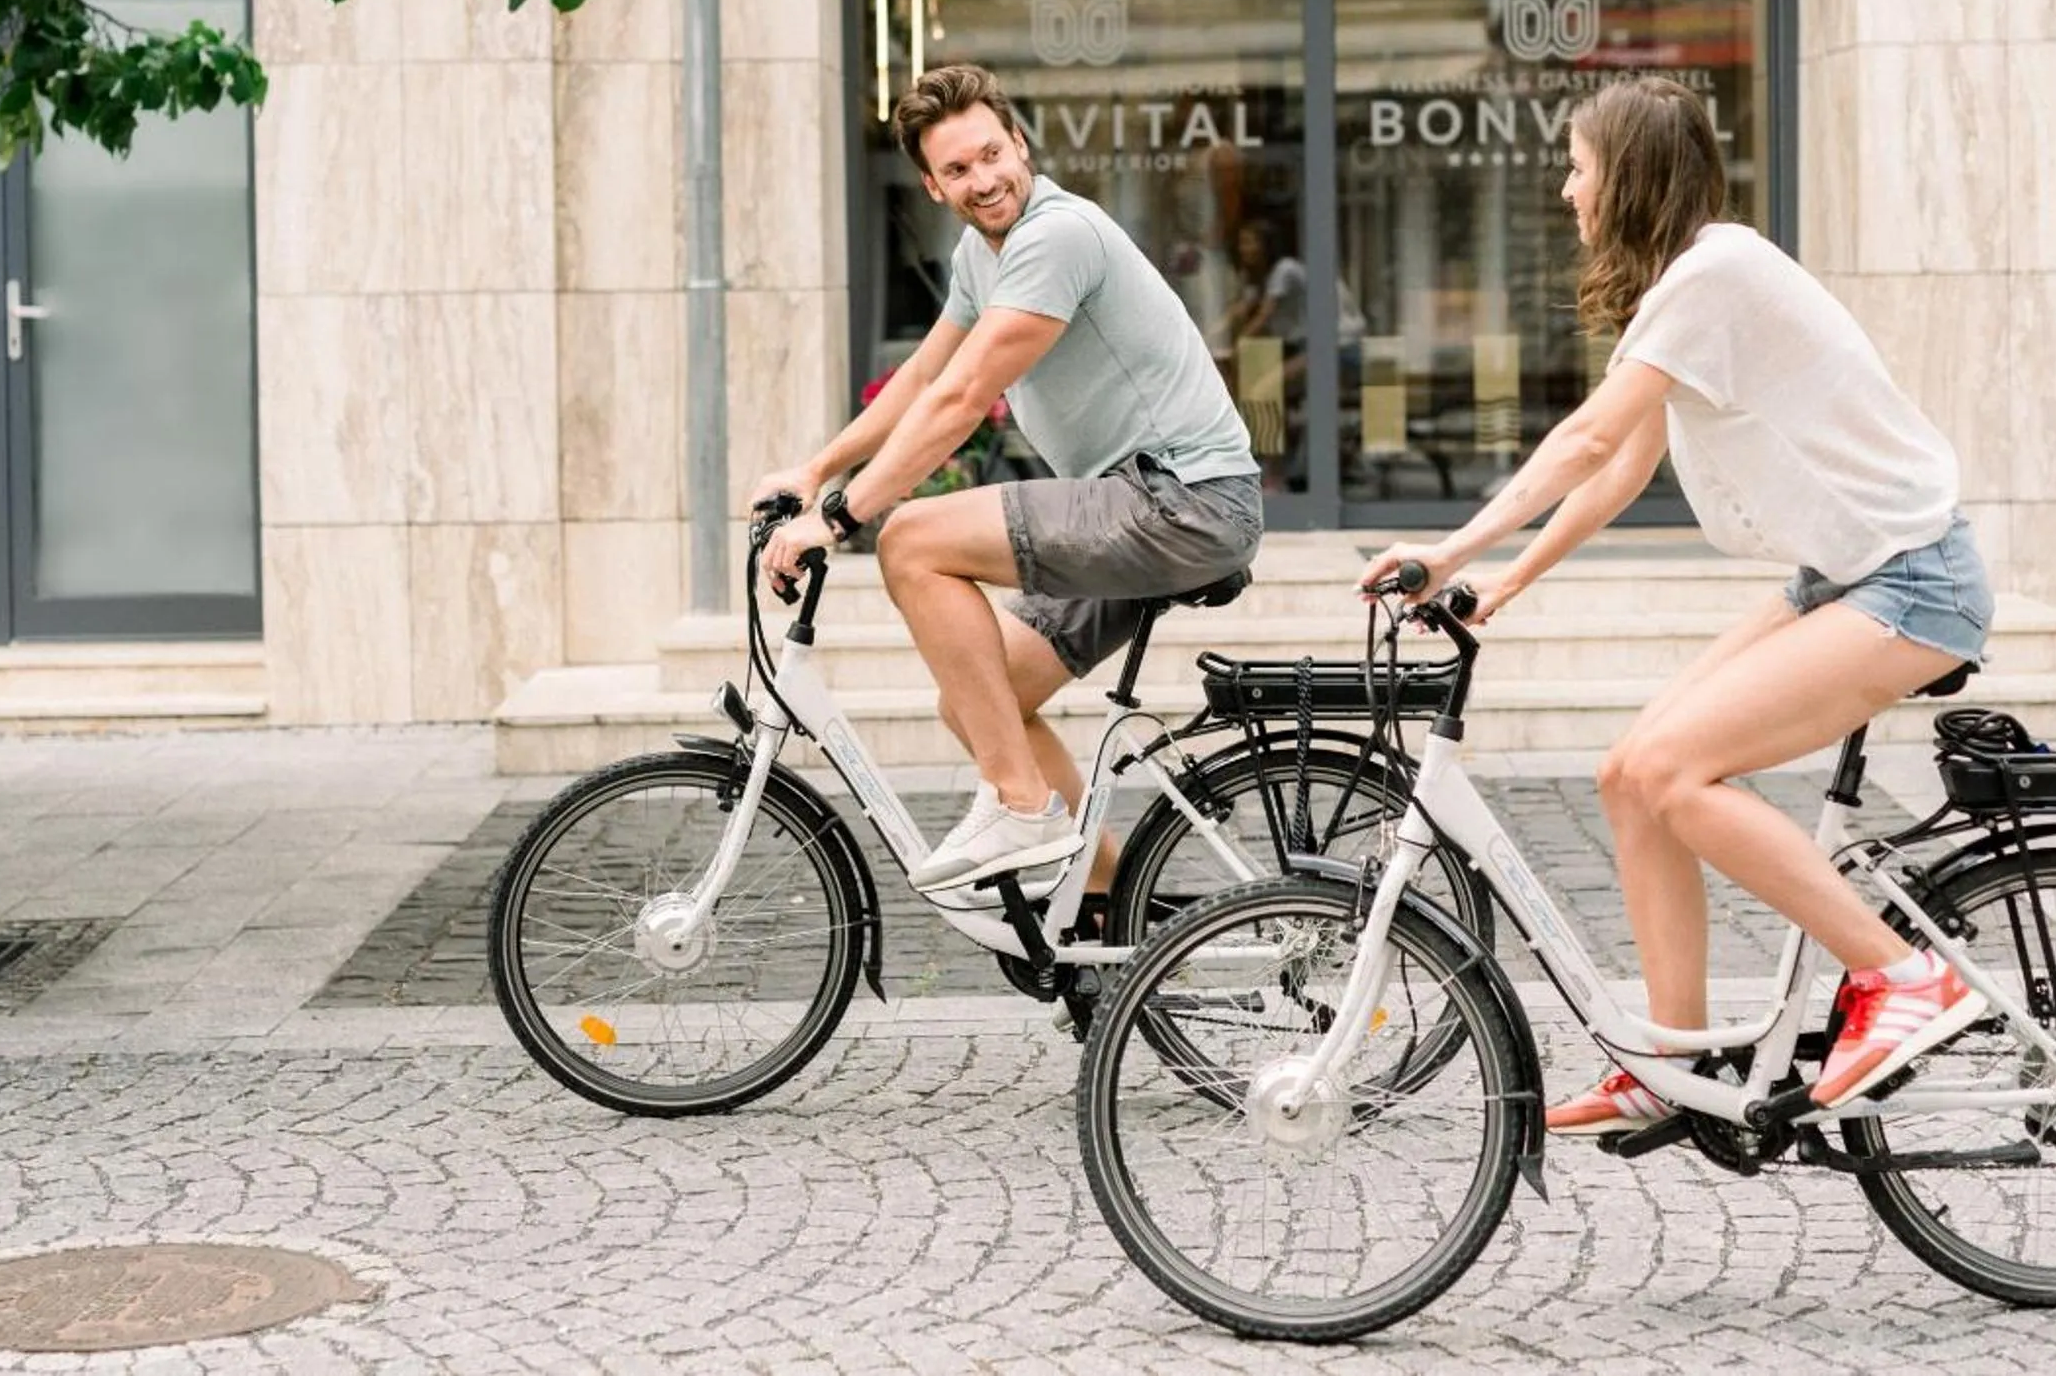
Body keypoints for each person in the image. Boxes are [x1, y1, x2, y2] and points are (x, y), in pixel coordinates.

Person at [1358, 74, 1994, 1129]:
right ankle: (1666, 1061)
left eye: (1578, 165)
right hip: (1838, 576)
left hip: (1911, 581)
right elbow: (1620, 468)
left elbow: (1588, 439)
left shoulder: (1716, 273)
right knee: (1625, 773)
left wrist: (1448, 545)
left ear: (1630, 175)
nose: (1566, 190)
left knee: (1673, 767)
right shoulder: (1690, 287)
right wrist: (1506, 581)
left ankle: (1904, 976)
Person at [756, 64, 1266, 892]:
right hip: (1130, 502)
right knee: (978, 699)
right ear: (931, 184)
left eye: (992, 154)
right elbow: (925, 374)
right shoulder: (979, 252)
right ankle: (1110, 909)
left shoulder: (1057, 236)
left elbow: (963, 396)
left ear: (1020, 143)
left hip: (1181, 500)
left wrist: (841, 517)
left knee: (914, 541)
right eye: (957, 169)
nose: (983, 179)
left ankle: (1023, 808)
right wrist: (816, 470)